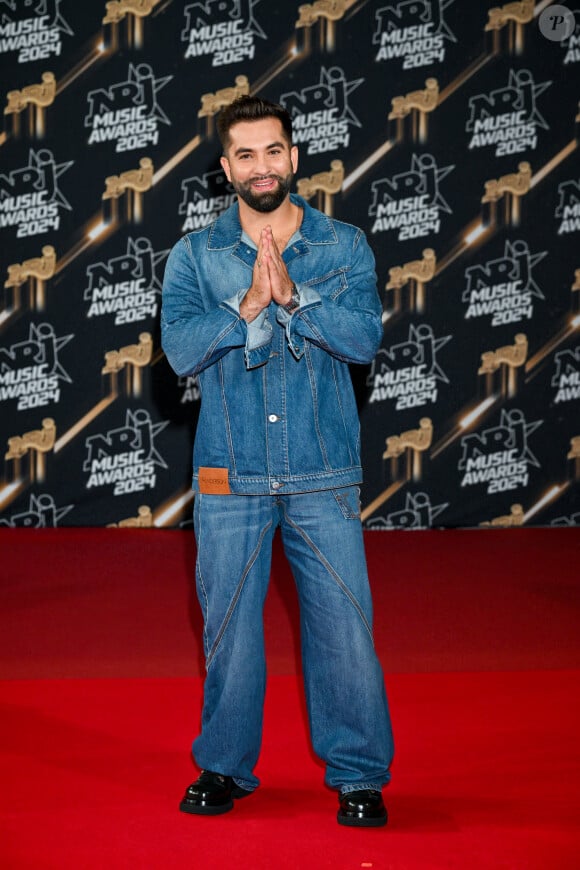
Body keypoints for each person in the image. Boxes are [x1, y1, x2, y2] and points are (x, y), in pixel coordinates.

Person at [161, 95, 394, 827]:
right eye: (244, 154)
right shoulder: (196, 257)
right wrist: (248, 308)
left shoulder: (344, 245)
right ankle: (224, 767)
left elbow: (361, 341)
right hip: (229, 471)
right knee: (228, 632)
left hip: (323, 470)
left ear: (293, 157)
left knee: (344, 629)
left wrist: (296, 297)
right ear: (225, 168)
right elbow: (180, 351)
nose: (261, 166)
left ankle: (359, 773)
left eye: (272, 151)